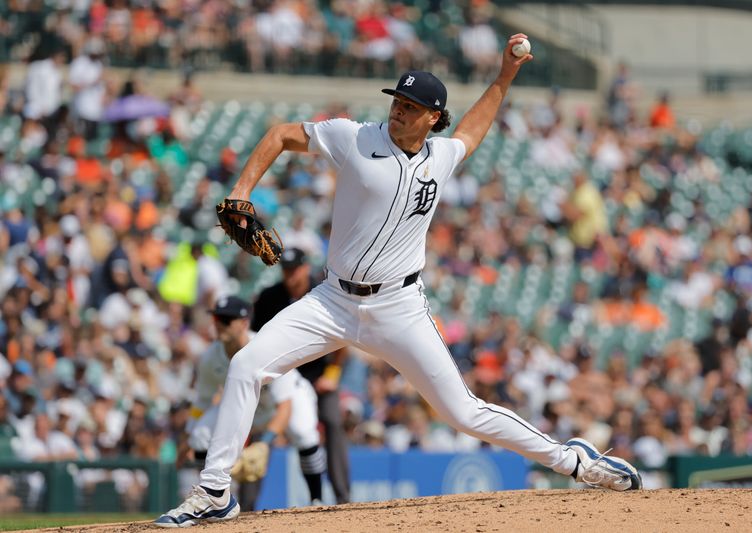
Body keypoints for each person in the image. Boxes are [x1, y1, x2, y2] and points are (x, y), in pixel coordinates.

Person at [155, 34, 641, 528]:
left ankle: (575, 461)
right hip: (331, 301)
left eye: (412, 106)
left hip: (398, 308)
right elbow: (281, 134)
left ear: (433, 117)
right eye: (397, 101)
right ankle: (215, 490)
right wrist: (241, 191)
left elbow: (472, 131)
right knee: (246, 365)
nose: (399, 111)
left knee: (463, 413)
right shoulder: (355, 137)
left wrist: (504, 77)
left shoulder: (440, 157)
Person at [180, 296, 327, 515]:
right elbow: (202, 401)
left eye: (226, 319)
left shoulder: (265, 346)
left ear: (244, 323)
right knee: (200, 435)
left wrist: (264, 444)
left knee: (304, 434)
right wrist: (188, 435)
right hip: (250, 404)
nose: (219, 324)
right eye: (216, 318)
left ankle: (317, 499)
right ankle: (213, 497)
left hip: (290, 398)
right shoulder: (211, 357)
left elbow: (285, 407)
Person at [251, 247, 351, 504]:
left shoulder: (322, 292)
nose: (289, 275)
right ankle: (247, 504)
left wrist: (333, 373)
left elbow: (345, 336)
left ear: (305, 268)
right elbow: (253, 339)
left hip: (318, 374)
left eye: (294, 269)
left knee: (332, 421)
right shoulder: (269, 297)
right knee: (263, 430)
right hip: (280, 375)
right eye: (285, 270)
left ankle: (342, 497)